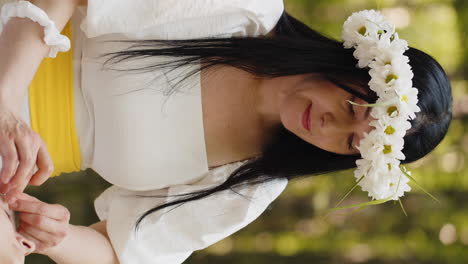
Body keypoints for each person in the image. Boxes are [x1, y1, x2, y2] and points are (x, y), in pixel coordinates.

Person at [0, 0, 452, 263]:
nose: (334, 125)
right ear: (358, 64)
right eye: (354, 105)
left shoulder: (252, 185)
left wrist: (56, 237)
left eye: (353, 144)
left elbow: (122, 251)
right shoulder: (245, 10)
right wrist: (5, 103)